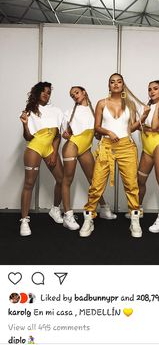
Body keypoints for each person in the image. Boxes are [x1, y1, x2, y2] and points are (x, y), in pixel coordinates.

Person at [79, 73, 150, 238]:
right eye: (112, 82)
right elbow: (96, 126)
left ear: (123, 84)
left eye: (119, 82)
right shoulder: (101, 103)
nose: (116, 84)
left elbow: (130, 128)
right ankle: (89, 218)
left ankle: (134, 219)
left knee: (132, 185)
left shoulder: (130, 104)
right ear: (109, 85)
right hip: (106, 146)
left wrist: (144, 115)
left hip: (126, 146)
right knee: (96, 184)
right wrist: (108, 131)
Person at [62, 85, 116, 230]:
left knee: (94, 180)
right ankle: (68, 215)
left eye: (76, 92)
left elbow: (97, 134)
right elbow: (65, 133)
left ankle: (104, 208)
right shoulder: (69, 112)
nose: (75, 96)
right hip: (72, 146)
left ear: (84, 92)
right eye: (72, 95)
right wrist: (65, 134)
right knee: (67, 180)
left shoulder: (95, 111)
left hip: (86, 148)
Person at [19, 82, 64, 237]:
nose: (46, 94)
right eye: (43, 91)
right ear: (37, 93)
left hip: (50, 147)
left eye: (49, 92)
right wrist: (24, 125)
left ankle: (55, 209)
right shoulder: (30, 110)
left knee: (62, 179)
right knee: (29, 183)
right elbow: (28, 137)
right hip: (35, 147)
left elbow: (57, 134)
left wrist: (54, 152)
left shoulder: (57, 111)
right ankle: (24, 220)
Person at [135, 80, 159, 233]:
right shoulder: (144, 107)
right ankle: (138, 209)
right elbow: (138, 126)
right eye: (149, 89)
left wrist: (157, 106)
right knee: (140, 180)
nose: (152, 91)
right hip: (147, 148)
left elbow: (156, 126)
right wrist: (146, 121)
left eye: (155, 89)